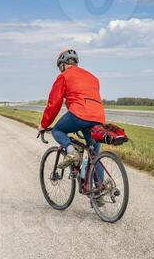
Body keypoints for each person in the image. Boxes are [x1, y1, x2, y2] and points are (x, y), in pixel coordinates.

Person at [38, 48, 107, 186]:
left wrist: (43, 125)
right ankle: (99, 191)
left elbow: (54, 104)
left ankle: (71, 152)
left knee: (58, 130)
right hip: (98, 117)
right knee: (95, 156)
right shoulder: (93, 78)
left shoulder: (64, 76)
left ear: (63, 64)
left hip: (79, 113)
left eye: (60, 67)